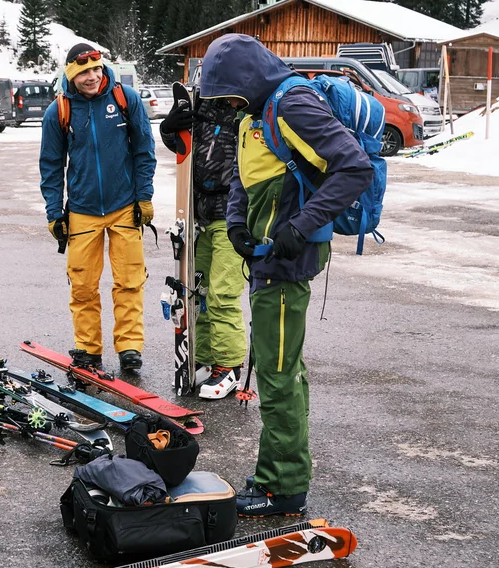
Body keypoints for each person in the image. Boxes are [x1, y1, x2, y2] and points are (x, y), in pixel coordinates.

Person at [201, 34, 372, 517]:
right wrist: (235, 223)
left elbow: (353, 167)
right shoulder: (253, 113)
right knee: (284, 369)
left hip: (286, 260)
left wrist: (302, 224)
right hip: (264, 257)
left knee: (276, 374)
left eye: (229, 95)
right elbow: (243, 175)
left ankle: (283, 487)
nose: (228, 105)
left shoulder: (291, 104)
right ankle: (281, 471)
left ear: (248, 79)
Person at [38, 43, 156, 372]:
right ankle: (88, 348)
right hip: (82, 211)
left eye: (96, 69)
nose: (92, 77)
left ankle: (130, 347)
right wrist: (54, 212)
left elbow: (145, 149)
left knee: (129, 281)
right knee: (83, 285)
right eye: (83, 73)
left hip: (124, 206)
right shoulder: (58, 111)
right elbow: (50, 166)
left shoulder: (125, 99)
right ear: (71, 75)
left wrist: (143, 196)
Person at [159, 86, 248, 399]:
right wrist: (169, 130)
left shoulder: (248, 109)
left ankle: (230, 366)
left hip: (233, 213)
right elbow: (186, 149)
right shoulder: (201, 104)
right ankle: (207, 359)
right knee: (199, 293)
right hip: (199, 211)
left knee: (223, 293)